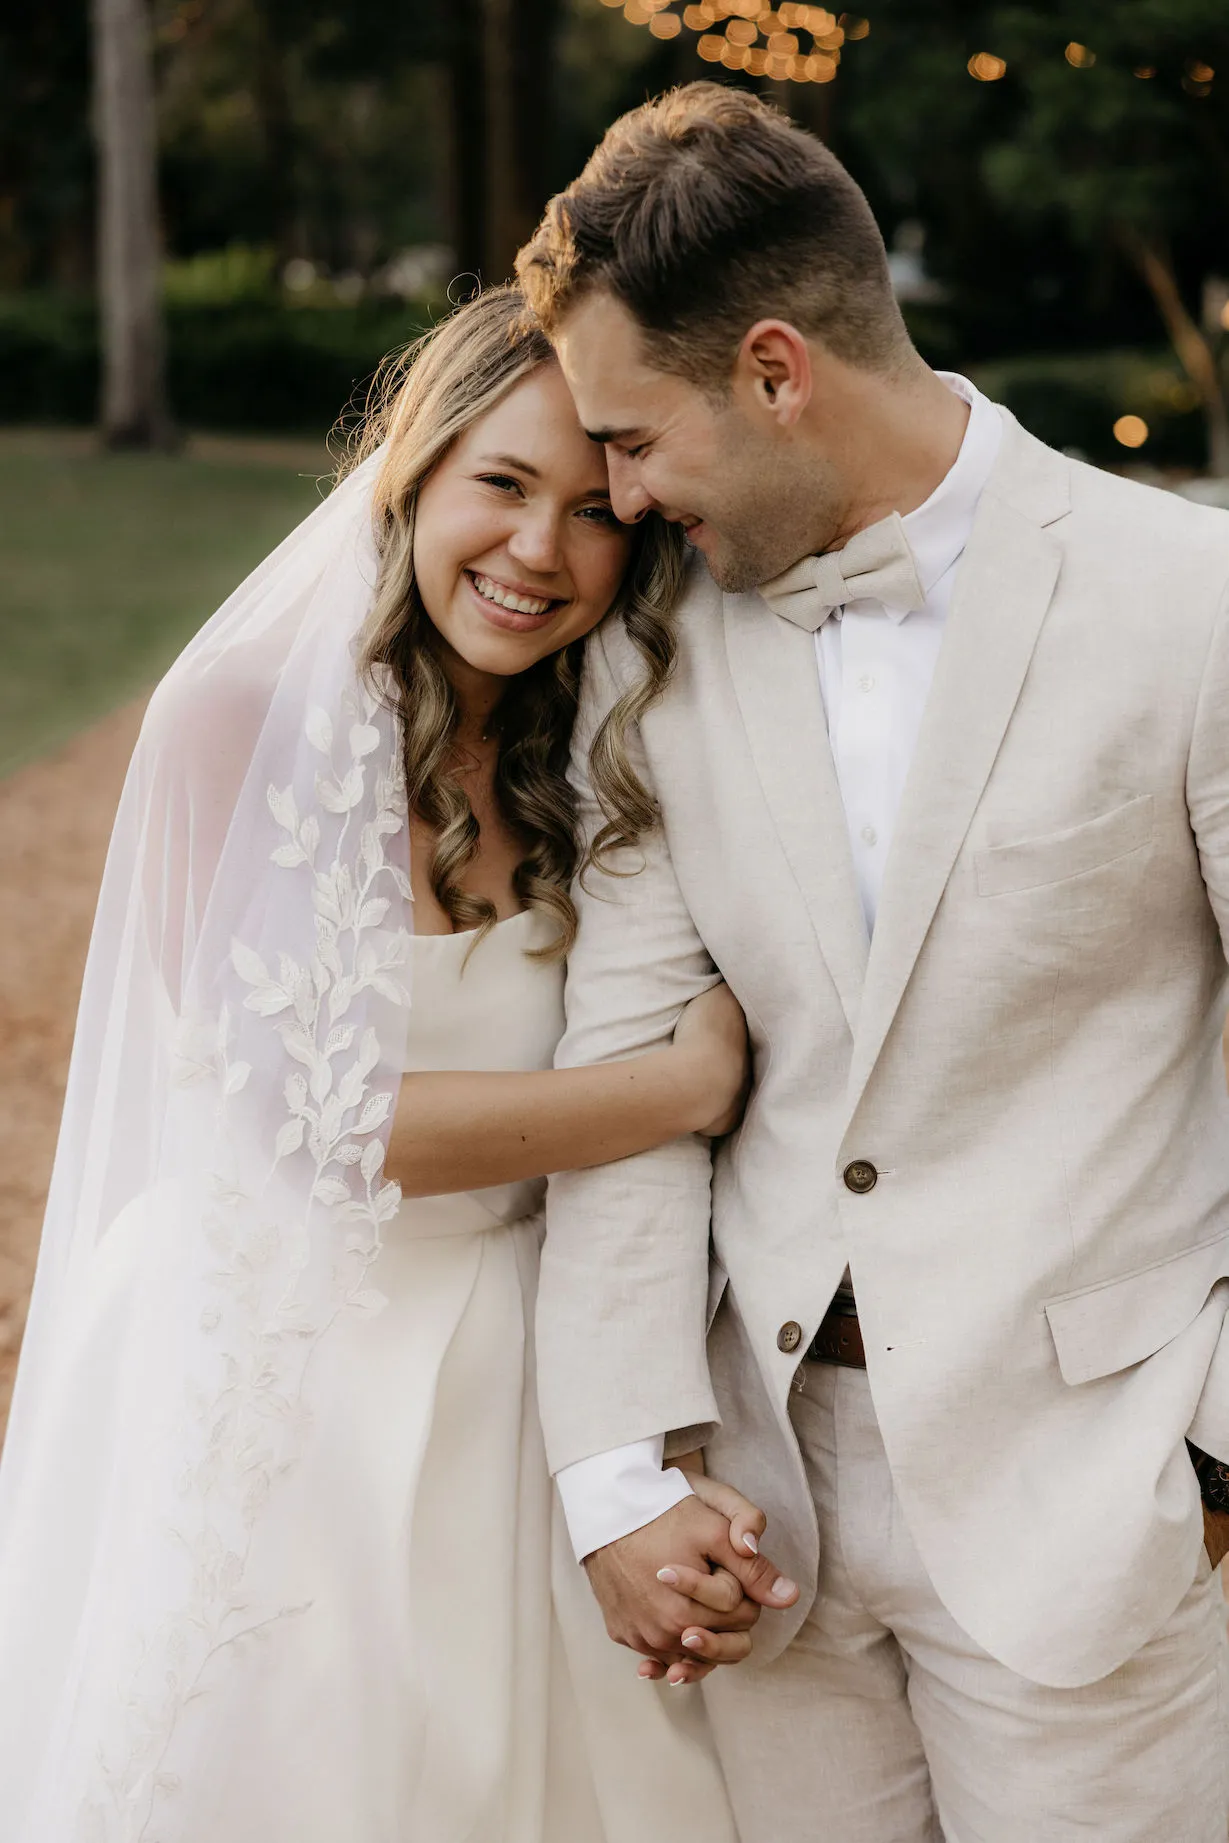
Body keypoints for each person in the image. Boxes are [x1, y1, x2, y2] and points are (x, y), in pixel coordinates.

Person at [517, 83, 1229, 1842]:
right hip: (766, 1527)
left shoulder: (1192, 603)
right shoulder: (661, 645)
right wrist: (619, 1473)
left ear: (778, 370)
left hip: (1105, 1510)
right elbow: (621, 1065)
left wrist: (1217, 1453)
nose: (613, 497)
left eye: (630, 437)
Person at [0, 285, 773, 1842]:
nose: (539, 551)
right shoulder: (239, 719)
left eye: (590, 511)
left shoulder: (598, 741)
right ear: (412, 474)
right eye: (499, 485)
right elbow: (324, 1123)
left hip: (520, 1366)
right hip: (290, 1363)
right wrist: (676, 1089)